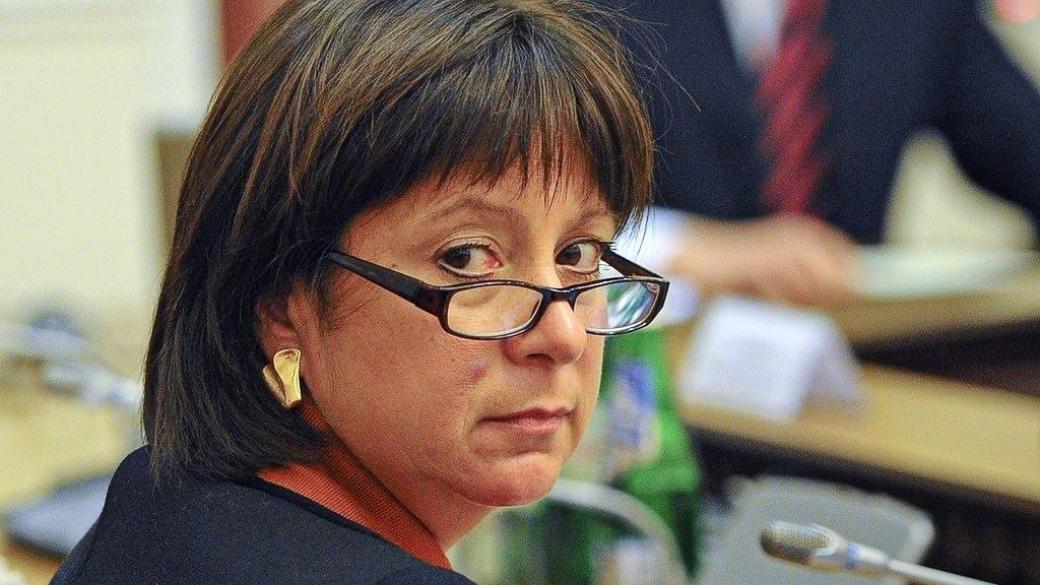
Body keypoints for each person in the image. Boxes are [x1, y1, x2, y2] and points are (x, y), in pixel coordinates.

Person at [50, 0, 669, 583]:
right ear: (281, 302)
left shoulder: (154, 499)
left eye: (578, 254)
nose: (562, 335)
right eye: (465, 258)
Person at [605, 0, 1040, 306]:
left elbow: (1020, 142)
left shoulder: (917, 11)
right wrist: (681, 247)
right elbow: (560, 192)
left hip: (860, 347)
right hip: (653, 349)